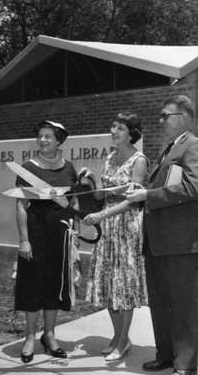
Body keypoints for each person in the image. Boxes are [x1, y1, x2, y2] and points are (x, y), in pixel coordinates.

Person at [126, 95, 198, 375]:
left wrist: (147, 195)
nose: (161, 121)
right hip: (158, 243)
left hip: (179, 244)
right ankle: (165, 355)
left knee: (184, 309)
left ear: (183, 118)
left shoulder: (194, 146)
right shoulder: (169, 148)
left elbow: (192, 188)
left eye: (166, 116)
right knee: (161, 305)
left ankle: (185, 366)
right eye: (162, 116)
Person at [80, 112, 148, 361]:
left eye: (120, 128)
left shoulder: (139, 160)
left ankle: (122, 342)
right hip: (108, 227)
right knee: (109, 283)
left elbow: (132, 201)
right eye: (113, 126)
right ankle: (119, 336)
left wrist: (101, 215)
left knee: (124, 285)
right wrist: (89, 180)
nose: (114, 131)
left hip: (126, 228)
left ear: (132, 133)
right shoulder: (109, 157)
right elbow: (102, 195)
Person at [15, 120, 79, 364]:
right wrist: (24, 240)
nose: (42, 140)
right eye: (40, 136)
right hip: (36, 233)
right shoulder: (28, 168)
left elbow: (74, 203)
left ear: (58, 141)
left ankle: (49, 335)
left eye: (48, 136)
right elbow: (20, 206)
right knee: (33, 284)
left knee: (54, 284)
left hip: (60, 235)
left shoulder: (69, 168)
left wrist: (76, 235)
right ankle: (30, 337)